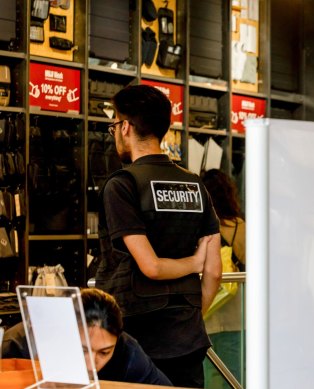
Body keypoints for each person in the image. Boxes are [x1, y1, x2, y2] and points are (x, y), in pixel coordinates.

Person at [94, 85, 222, 388]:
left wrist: (192, 264)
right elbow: (214, 271)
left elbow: (150, 265)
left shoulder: (122, 185)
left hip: (136, 340)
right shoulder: (195, 185)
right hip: (187, 341)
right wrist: (187, 318)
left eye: (114, 125)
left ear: (125, 127)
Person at [1, 289, 172, 386]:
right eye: (81, 350)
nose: (91, 365)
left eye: (104, 353)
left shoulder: (128, 352)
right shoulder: (18, 345)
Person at [201, 169, 246, 388]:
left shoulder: (200, 228)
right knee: (235, 377)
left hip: (205, 311)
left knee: (208, 377)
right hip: (235, 314)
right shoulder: (243, 228)